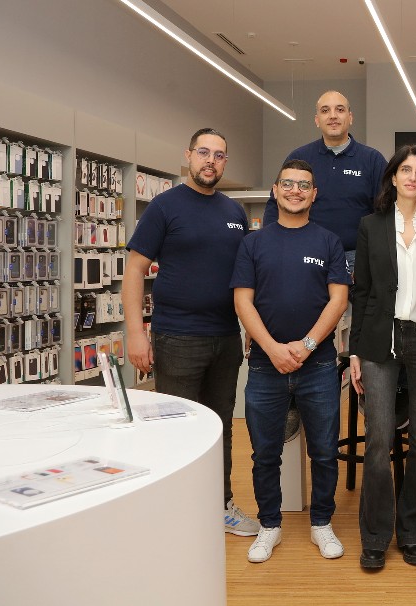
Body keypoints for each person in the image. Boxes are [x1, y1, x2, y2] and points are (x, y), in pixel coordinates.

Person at [123, 127, 258, 537]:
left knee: (220, 426)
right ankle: (176, 510)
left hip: (225, 336)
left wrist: (252, 325)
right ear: (189, 156)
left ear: (225, 163)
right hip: (177, 337)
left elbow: (247, 277)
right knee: (177, 426)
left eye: (219, 154)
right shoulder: (165, 207)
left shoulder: (234, 213)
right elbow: (133, 271)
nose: (210, 161)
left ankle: (220, 505)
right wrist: (135, 332)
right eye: (204, 152)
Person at [231, 159, 351, 563]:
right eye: (288, 184)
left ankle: (321, 524)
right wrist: (271, 348)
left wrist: (307, 344)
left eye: (304, 185)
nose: (296, 190)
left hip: (317, 365)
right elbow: (242, 300)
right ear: (276, 190)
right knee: (265, 453)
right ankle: (270, 526)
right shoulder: (253, 243)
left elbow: (339, 298)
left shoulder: (328, 241)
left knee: (323, 451)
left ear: (314, 194)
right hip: (265, 366)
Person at [348, 145, 416, 570]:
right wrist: (354, 349)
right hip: (379, 340)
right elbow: (363, 291)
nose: (412, 177)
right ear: (392, 177)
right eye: (405, 169)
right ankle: (374, 536)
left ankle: (414, 533)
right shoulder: (371, 225)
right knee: (379, 440)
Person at [263, 90, 386, 271]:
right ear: (317, 119)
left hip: (358, 259)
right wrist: (274, 245)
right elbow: (276, 205)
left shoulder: (372, 160)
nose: (333, 116)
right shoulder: (300, 157)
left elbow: (385, 211)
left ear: (350, 117)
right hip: (307, 254)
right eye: (325, 110)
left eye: (340, 110)